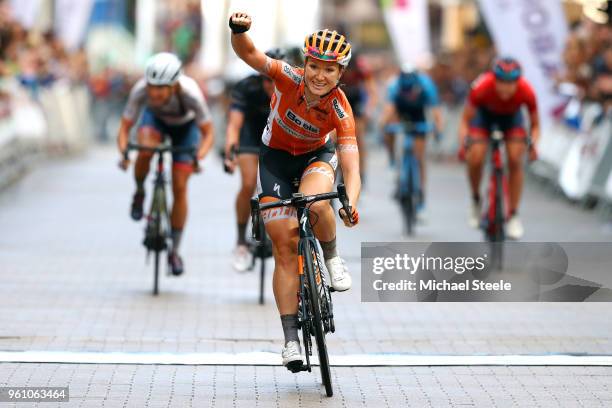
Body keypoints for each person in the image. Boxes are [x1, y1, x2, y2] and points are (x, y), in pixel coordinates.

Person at [229, 12, 360, 370]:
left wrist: (352, 202)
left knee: (318, 204)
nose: (320, 75)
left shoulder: (340, 109)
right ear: (305, 64)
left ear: (340, 74)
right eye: (315, 66)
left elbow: (351, 164)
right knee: (284, 246)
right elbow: (250, 55)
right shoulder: (288, 78)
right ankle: (290, 342)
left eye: (329, 70)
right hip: (274, 161)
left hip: (314, 158)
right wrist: (239, 32)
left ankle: (332, 258)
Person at [117, 52, 214, 275]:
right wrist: (124, 153)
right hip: (155, 121)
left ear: (173, 86)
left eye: (160, 88)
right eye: (151, 87)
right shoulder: (140, 90)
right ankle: (140, 192)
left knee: (180, 187)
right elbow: (124, 128)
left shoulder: (191, 94)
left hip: (186, 128)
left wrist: (198, 157)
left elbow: (208, 133)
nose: (154, 92)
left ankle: (175, 251)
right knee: (145, 150)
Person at [458, 57, 539, 240]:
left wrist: (533, 144)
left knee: (515, 159)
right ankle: (475, 199)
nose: (505, 88)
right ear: (494, 79)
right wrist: (464, 144)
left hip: (512, 120)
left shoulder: (527, 90)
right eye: (501, 82)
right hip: (483, 119)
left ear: (518, 82)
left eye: (511, 83)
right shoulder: (481, 87)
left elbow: (535, 125)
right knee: (476, 156)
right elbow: (464, 120)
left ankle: (513, 215)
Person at [224, 48, 286, 272]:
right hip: (251, 136)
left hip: (280, 138)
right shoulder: (246, 87)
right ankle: (241, 242)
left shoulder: (294, 86)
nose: (272, 87)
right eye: (267, 81)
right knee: (249, 183)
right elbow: (234, 125)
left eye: (276, 82)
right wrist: (230, 151)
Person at [380, 63, 443, 211]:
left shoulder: (427, 85)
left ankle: (420, 191)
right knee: (388, 128)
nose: (409, 94)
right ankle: (392, 161)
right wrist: (382, 127)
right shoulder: (394, 86)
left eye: (411, 91)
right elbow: (389, 111)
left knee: (419, 155)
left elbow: (436, 112)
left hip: (418, 115)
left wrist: (438, 130)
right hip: (400, 111)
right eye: (406, 91)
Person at [340, 53, 378, 184]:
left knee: (358, 139)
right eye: (347, 71)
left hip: (356, 103)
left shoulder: (362, 70)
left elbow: (372, 92)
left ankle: (361, 171)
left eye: (351, 71)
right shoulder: (338, 67)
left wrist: (368, 110)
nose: (349, 74)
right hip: (340, 100)